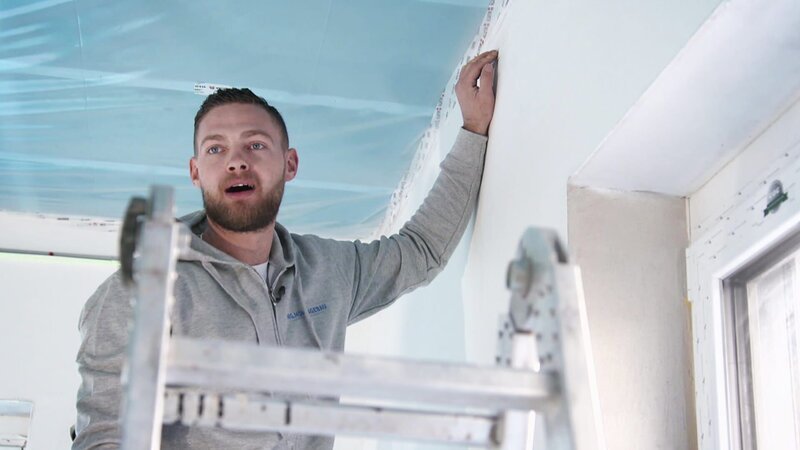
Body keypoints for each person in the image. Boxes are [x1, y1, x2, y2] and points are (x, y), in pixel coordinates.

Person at [73, 49, 498, 450]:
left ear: (290, 164)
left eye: (255, 145)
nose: (236, 161)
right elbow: (108, 433)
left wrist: (473, 131)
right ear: (196, 171)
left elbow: (419, 250)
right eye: (216, 148)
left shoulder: (331, 271)